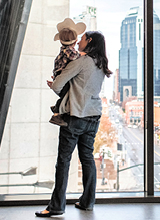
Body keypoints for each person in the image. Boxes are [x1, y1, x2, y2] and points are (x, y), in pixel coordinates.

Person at [35, 31, 112, 217]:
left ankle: (56, 207)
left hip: (76, 116)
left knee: (63, 161)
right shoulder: (101, 64)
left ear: (90, 41)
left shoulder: (80, 62)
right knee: (87, 158)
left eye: (82, 38)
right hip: (94, 116)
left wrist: (55, 82)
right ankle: (87, 202)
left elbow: (56, 86)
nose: (78, 42)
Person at [49, 18, 86, 126]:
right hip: (62, 75)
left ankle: (57, 107)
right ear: (75, 42)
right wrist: (84, 55)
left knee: (65, 94)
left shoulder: (63, 50)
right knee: (67, 94)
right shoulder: (70, 51)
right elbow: (76, 57)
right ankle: (57, 114)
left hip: (58, 74)